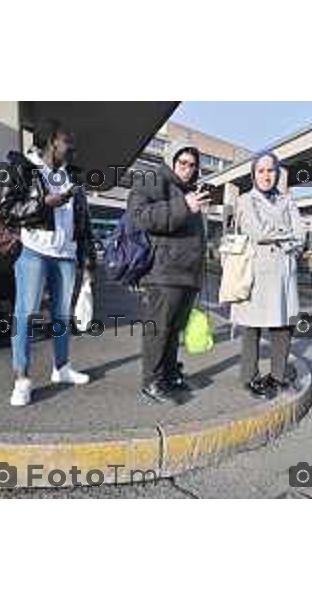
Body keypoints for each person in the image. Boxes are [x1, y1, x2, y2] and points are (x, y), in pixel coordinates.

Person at [0, 119, 96, 406]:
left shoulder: (73, 176)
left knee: (62, 316)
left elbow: (84, 221)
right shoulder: (23, 168)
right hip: (33, 252)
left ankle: (62, 368)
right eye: (67, 141)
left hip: (65, 255)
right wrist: (44, 204)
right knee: (25, 314)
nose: (72, 147)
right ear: (52, 142)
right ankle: (21, 379)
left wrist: (89, 261)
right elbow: (6, 210)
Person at [128, 141, 208, 403]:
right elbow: (139, 217)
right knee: (158, 329)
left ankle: (170, 374)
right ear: (171, 160)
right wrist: (184, 206)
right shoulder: (152, 180)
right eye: (183, 163)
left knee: (174, 329)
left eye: (193, 165)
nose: (187, 169)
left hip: (187, 274)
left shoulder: (190, 191)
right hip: (162, 272)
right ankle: (151, 382)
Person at [230, 152, 305, 399]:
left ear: (277, 173)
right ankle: (249, 377)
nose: (265, 175)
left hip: (284, 274)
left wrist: (281, 236)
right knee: (252, 327)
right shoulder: (245, 200)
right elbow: (257, 231)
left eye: (270, 170)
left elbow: (301, 234)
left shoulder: (288, 200)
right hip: (258, 273)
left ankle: (278, 375)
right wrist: (286, 234)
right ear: (253, 174)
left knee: (283, 326)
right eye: (260, 171)